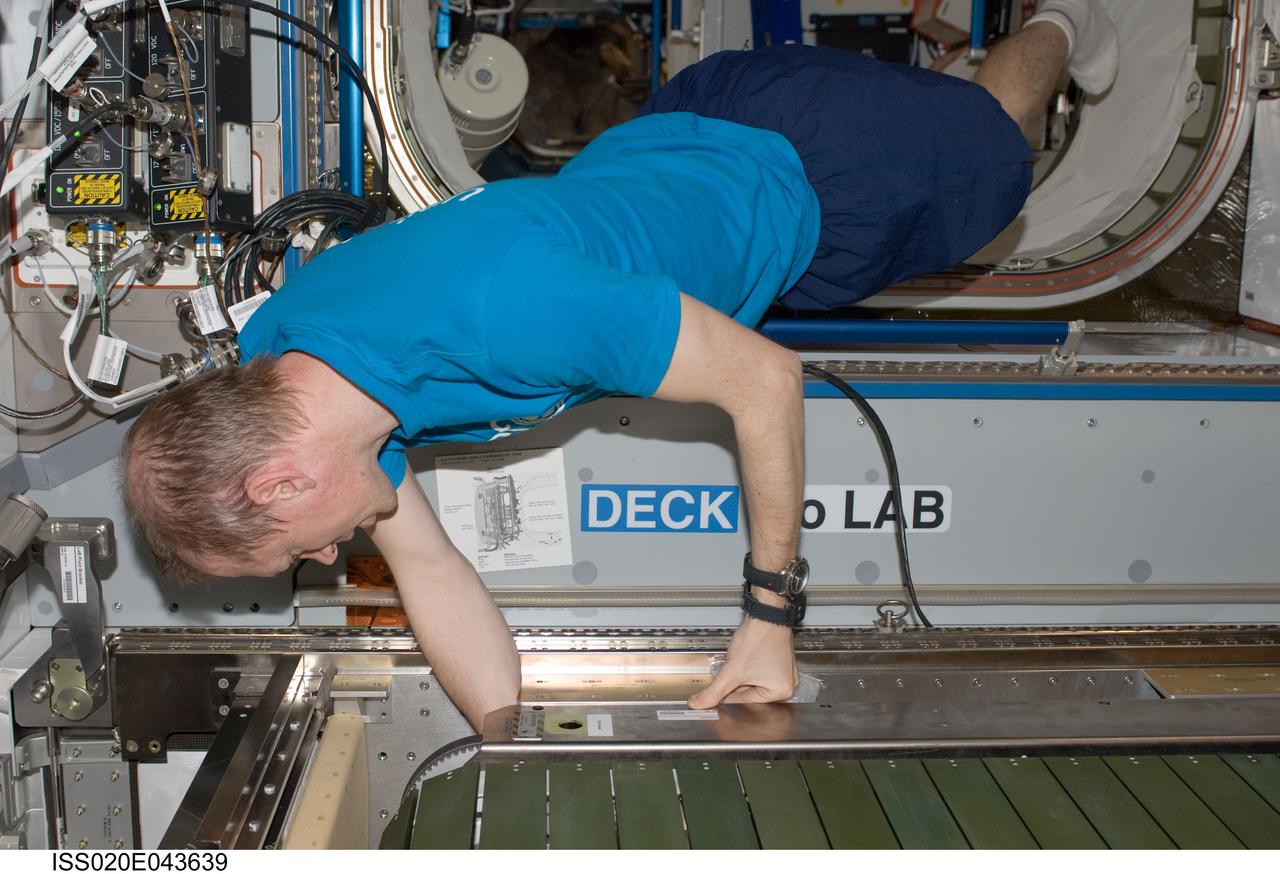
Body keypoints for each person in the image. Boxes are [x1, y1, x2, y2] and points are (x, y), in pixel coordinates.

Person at [121, 1, 1118, 729]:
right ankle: (924, 101)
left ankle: (1063, 24)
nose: (323, 559)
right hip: (685, 149)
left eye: (290, 548)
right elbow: (431, 571)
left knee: (993, 143)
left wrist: (769, 618)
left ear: (278, 481)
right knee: (938, 129)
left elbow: (765, 384)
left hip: (815, 173)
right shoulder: (289, 374)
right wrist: (504, 756)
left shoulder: (503, 312)